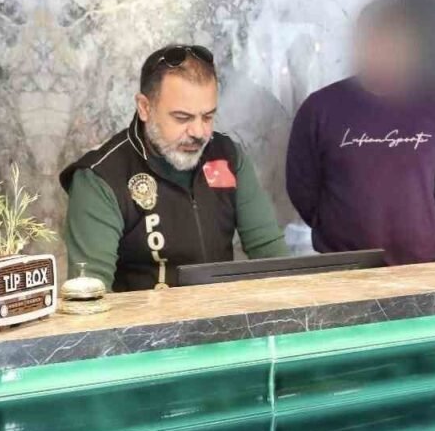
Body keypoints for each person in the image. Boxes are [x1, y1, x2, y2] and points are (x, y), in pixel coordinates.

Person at [61, 44, 287, 291]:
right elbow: (91, 295)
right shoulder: (100, 177)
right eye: (182, 118)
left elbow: (272, 256)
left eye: (208, 116)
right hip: (142, 316)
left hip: (222, 312)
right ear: (145, 108)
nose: (199, 132)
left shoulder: (228, 157)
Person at [285, 0, 435, 265]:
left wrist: (419, 219)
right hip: (344, 267)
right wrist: (335, 228)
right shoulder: (320, 108)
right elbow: (302, 188)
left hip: (422, 266)